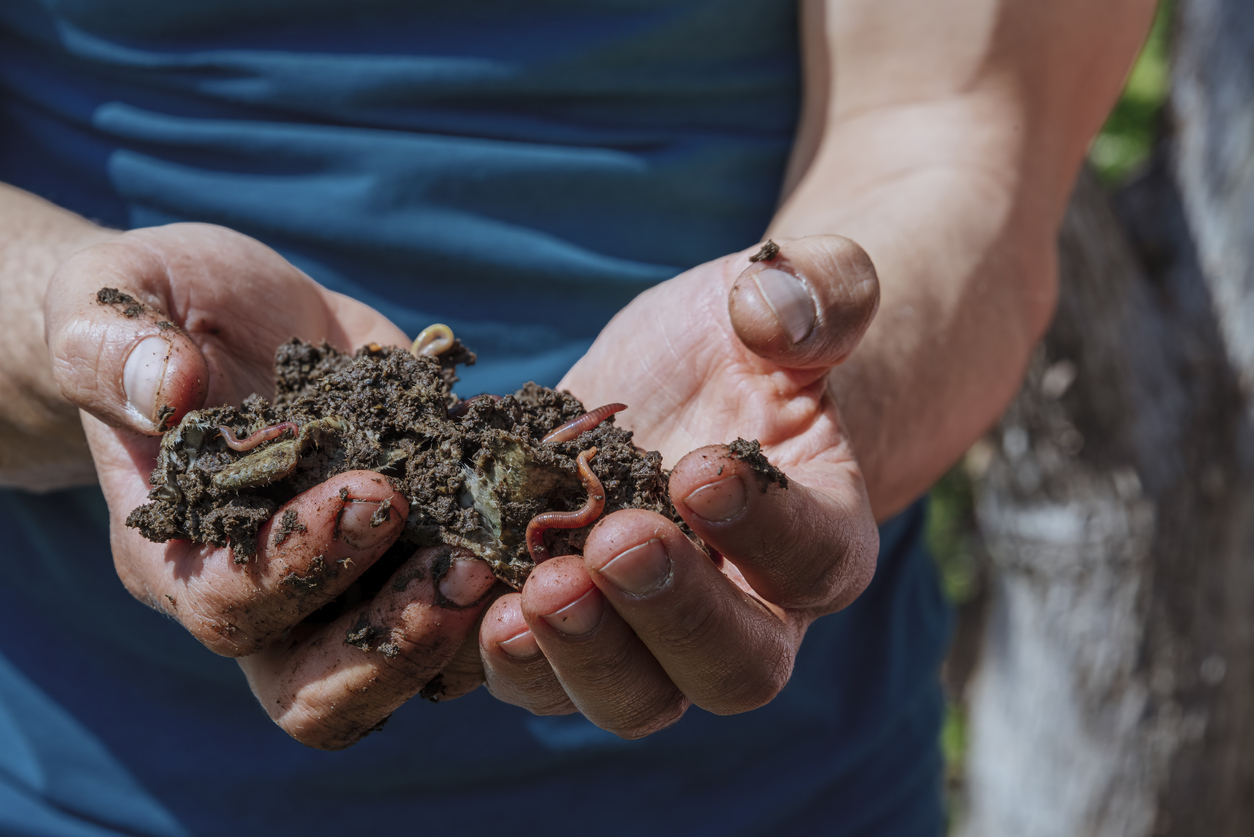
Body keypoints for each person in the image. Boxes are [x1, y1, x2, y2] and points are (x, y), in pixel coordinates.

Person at [0, 0, 1155, 834]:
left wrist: (815, 386)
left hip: (777, 794)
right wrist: (72, 341)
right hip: (94, 785)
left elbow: (962, 132)